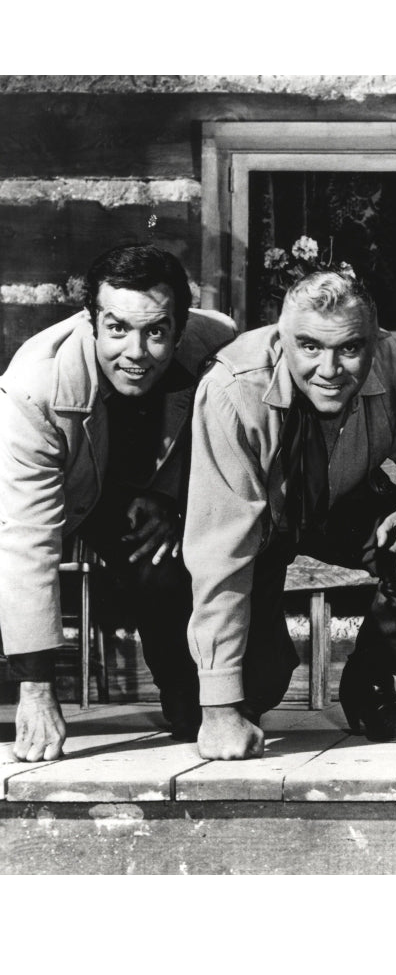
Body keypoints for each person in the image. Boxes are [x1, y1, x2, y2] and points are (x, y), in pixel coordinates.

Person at [184, 269, 396, 761]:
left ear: (373, 341)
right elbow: (220, 553)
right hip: (258, 517)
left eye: (349, 349)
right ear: (281, 336)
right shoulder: (231, 389)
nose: (329, 368)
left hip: (346, 501)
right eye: (309, 347)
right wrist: (220, 708)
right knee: (257, 688)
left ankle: (369, 682)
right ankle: (239, 693)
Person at [0, 244, 237, 761]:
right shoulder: (33, 386)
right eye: (117, 329)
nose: (135, 351)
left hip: (136, 497)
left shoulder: (217, 347)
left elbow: (224, 446)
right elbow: (26, 538)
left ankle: (182, 688)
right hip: (41, 493)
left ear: (178, 327)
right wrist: (38, 688)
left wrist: (174, 502)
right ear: (90, 323)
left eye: (155, 332)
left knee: (161, 556)